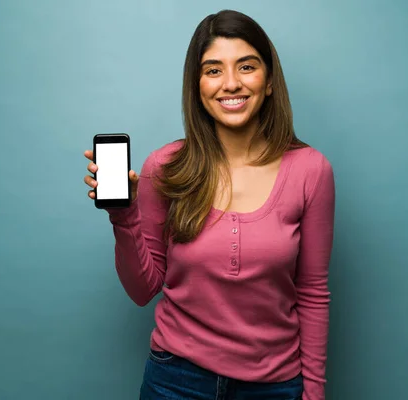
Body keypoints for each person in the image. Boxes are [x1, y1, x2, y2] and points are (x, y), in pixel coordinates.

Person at [83, 9, 335, 400]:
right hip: (175, 381)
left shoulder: (311, 170)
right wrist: (123, 215)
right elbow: (142, 289)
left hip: (274, 386)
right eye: (213, 70)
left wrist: (314, 393)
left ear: (269, 81)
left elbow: (313, 291)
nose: (231, 84)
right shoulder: (166, 168)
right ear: (197, 85)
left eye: (246, 67)